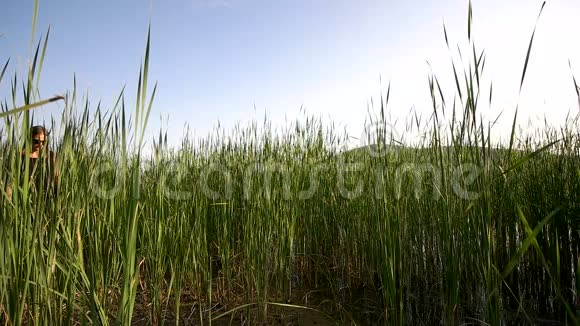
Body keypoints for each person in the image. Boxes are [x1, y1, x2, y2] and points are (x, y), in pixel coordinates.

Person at [5, 125, 59, 202]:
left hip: (47, 200)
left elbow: (57, 180)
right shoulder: (19, 157)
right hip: (25, 201)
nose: (40, 145)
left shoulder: (52, 157)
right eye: (36, 141)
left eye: (43, 142)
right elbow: (10, 183)